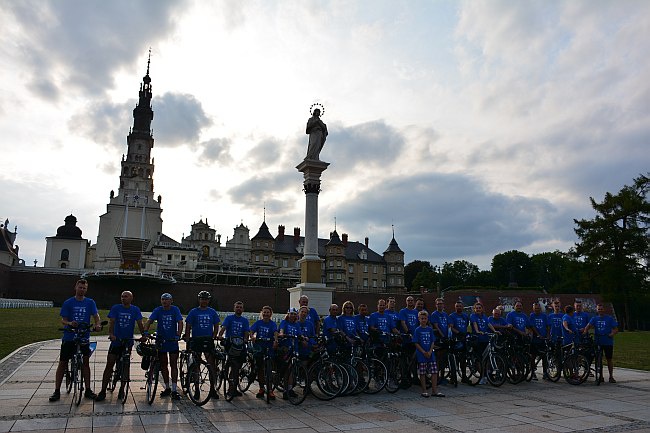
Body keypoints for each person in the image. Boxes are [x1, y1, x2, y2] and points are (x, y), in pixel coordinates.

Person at [49, 279, 101, 402]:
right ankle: (56, 390)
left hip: (83, 335)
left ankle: (88, 389)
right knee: (63, 362)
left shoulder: (90, 302)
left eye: (84, 288)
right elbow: (63, 320)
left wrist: (97, 324)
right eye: (80, 287)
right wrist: (69, 323)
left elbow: (96, 315)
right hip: (69, 336)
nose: (82, 290)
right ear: (75, 288)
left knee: (85, 363)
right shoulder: (68, 302)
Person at [95, 291, 145, 402]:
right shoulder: (116, 308)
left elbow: (140, 323)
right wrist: (111, 334)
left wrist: (143, 335)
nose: (123, 298)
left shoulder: (135, 310)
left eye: (126, 296)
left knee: (126, 365)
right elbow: (112, 322)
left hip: (128, 341)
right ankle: (103, 390)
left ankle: (122, 389)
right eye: (122, 296)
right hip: (116, 340)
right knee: (110, 363)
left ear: (131, 298)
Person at [143, 293, 183, 400]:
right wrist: (145, 331)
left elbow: (180, 322)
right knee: (164, 365)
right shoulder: (158, 310)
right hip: (161, 341)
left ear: (171, 301)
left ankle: (174, 389)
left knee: (174, 365)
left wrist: (178, 335)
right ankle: (167, 387)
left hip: (172, 341)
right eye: (162, 299)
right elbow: (149, 321)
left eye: (167, 299)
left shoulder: (175, 310)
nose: (164, 301)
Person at [185, 291, 221, 398]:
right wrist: (187, 338)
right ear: (199, 299)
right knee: (196, 365)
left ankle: (213, 389)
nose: (204, 301)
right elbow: (188, 326)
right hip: (196, 339)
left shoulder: (212, 312)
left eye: (206, 299)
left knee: (211, 365)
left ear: (208, 300)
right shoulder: (193, 312)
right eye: (202, 299)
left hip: (207, 340)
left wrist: (214, 335)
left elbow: (216, 325)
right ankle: (196, 389)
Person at [218, 301, 250, 399]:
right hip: (230, 343)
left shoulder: (245, 320)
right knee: (231, 363)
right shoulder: (229, 318)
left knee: (237, 366)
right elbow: (224, 328)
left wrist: (245, 339)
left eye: (240, 307)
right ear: (234, 308)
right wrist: (220, 335)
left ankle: (233, 386)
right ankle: (230, 387)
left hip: (239, 345)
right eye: (237, 307)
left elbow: (246, 332)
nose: (239, 309)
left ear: (243, 309)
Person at [584, 304, 619, 383]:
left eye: (601, 309)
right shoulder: (594, 318)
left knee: (609, 359)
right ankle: (600, 376)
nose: (600, 310)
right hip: (598, 341)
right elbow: (588, 326)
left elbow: (616, 329)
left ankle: (611, 376)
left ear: (604, 309)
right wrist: (585, 331)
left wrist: (612, 334)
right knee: (598, 359)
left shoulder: (609, 318)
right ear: (597, 310)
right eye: (599, 309)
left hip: (608, 342)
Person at [413, 310, 444, 398]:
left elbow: (432, 341)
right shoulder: (417, 330)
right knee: (422, 372)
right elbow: (416, 342)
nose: (423, 320)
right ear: (419, 319)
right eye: (422, 318)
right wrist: (423, 351)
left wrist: (430, 351)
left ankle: (434, 390)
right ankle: (424, 390)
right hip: (422, 354)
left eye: (425, 318)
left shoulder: (430, 329)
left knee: (434, 371)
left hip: (430, 353)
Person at [251, 306, 279, 399]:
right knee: (260, 368)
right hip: (260, 347)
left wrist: (275, 340)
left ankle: (270, 390)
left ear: (271, 314)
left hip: (269, 347)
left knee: (269, 369)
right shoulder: (258, 323)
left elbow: (275, 332)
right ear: (262, 313)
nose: (266, 314)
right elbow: (252, 331)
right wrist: (253, 337)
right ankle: (261, 388)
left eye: (268, 312)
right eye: (264, 312)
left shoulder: (273, 324)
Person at [469, 302, 492, 385]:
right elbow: (475, 324)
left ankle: (486, 375)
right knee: (479, 359)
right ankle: (482, 376)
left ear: (482, 309)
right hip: (478, 340)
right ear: (474, 309)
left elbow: (489, 324)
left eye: (480, 308)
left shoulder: (485, 317)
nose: (478, 309)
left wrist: (495, 331)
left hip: (485, 339)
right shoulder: (473, 316)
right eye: (477, 308)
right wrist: (478, 331)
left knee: (486, 359)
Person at [449, 302, 470, 383]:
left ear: (463, 307)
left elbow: (467, 326)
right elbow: (451, 327)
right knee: (455, 359)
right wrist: (458, 333)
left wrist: (467, 333)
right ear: (455, 307)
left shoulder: (465, 316)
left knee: (463, 359)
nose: (458, 307)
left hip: (464, 338)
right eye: (457, 306)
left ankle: (464, 376)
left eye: (460, 306)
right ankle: (453, 377)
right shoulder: (452, 316)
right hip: (456, 339)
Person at [529, 302, 550, 380]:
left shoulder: (544, 316)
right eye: (535, 308)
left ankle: (545, 372)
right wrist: (538, 334)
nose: (537, 310)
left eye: (538, 308)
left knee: (544, 356)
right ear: (533, 309)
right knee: (533, 356)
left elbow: (548, 325)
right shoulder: (532, 315)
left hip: (543, 339)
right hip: (535, 339)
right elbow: (532, 326)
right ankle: (533, 372)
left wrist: (548, 335)